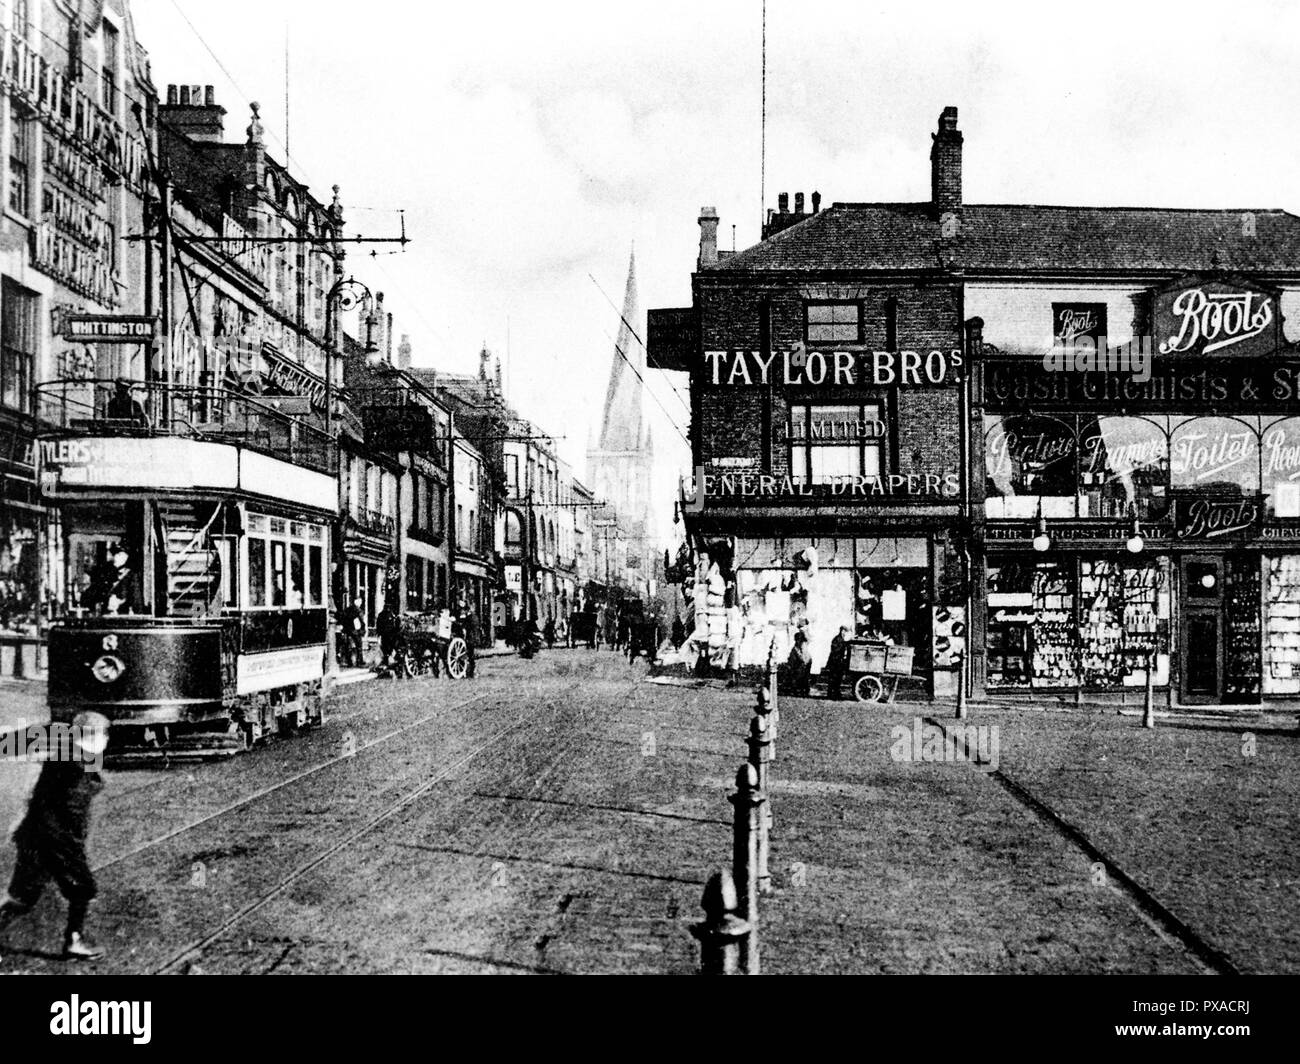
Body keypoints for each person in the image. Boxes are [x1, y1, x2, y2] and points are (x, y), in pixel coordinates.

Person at [0, 713, 110, 961]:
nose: (106, 739)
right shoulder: (76, 765)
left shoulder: (70, 757)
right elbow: (70, 810)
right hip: (56, 839)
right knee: (82, 889)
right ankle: (74, 941)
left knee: (24, 895)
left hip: (34, 837)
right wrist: (73, 848)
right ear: (90, 737)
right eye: (103, 734)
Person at [86, 545, 137, 615]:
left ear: (126, 557)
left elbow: (135, 601)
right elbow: (94, 594)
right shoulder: (108, 573)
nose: (115, 557)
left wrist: (119, 602)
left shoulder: (131, 576)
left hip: (123, 617)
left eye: (119, 554)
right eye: (115, 554)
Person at [826, 625, 852, 700]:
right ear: (842, 631)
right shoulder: (837, 639)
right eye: (845, 632)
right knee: (834, 678)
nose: (845, 633)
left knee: (837, 679)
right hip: (835, 662)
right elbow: (836, 650)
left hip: (837, 662)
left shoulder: (840, 639)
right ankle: (831, 694)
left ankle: (835, 693)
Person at [784, 629, 813, 697]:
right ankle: (800, 691)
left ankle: (803, 691)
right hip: (798, 667)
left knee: (803, 679)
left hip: (803, 666)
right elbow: (798, 658)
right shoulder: (795, 649)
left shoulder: (802, 646)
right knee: (799, 679)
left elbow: (804, 656)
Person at [340, 597, 365, 668]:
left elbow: (343, 619)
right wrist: (362, 630)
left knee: (348, 647)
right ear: (357, 602)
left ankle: (349, 662)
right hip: (356, 631)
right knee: (359, 646)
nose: (360, 603)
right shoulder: (358, 610)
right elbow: (361, 621)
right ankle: (359, 661)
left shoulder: (347, 610)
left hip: (348, 630)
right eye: (360, 602)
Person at [376, 602, 401, 668]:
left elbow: (378, 625)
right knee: (389, 648)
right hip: (390, 635)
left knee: (386, 648)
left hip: (386, 635)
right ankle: (390, 661)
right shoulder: (392, 615)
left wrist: (379, 634)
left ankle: (387, 661)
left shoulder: (381, 615)